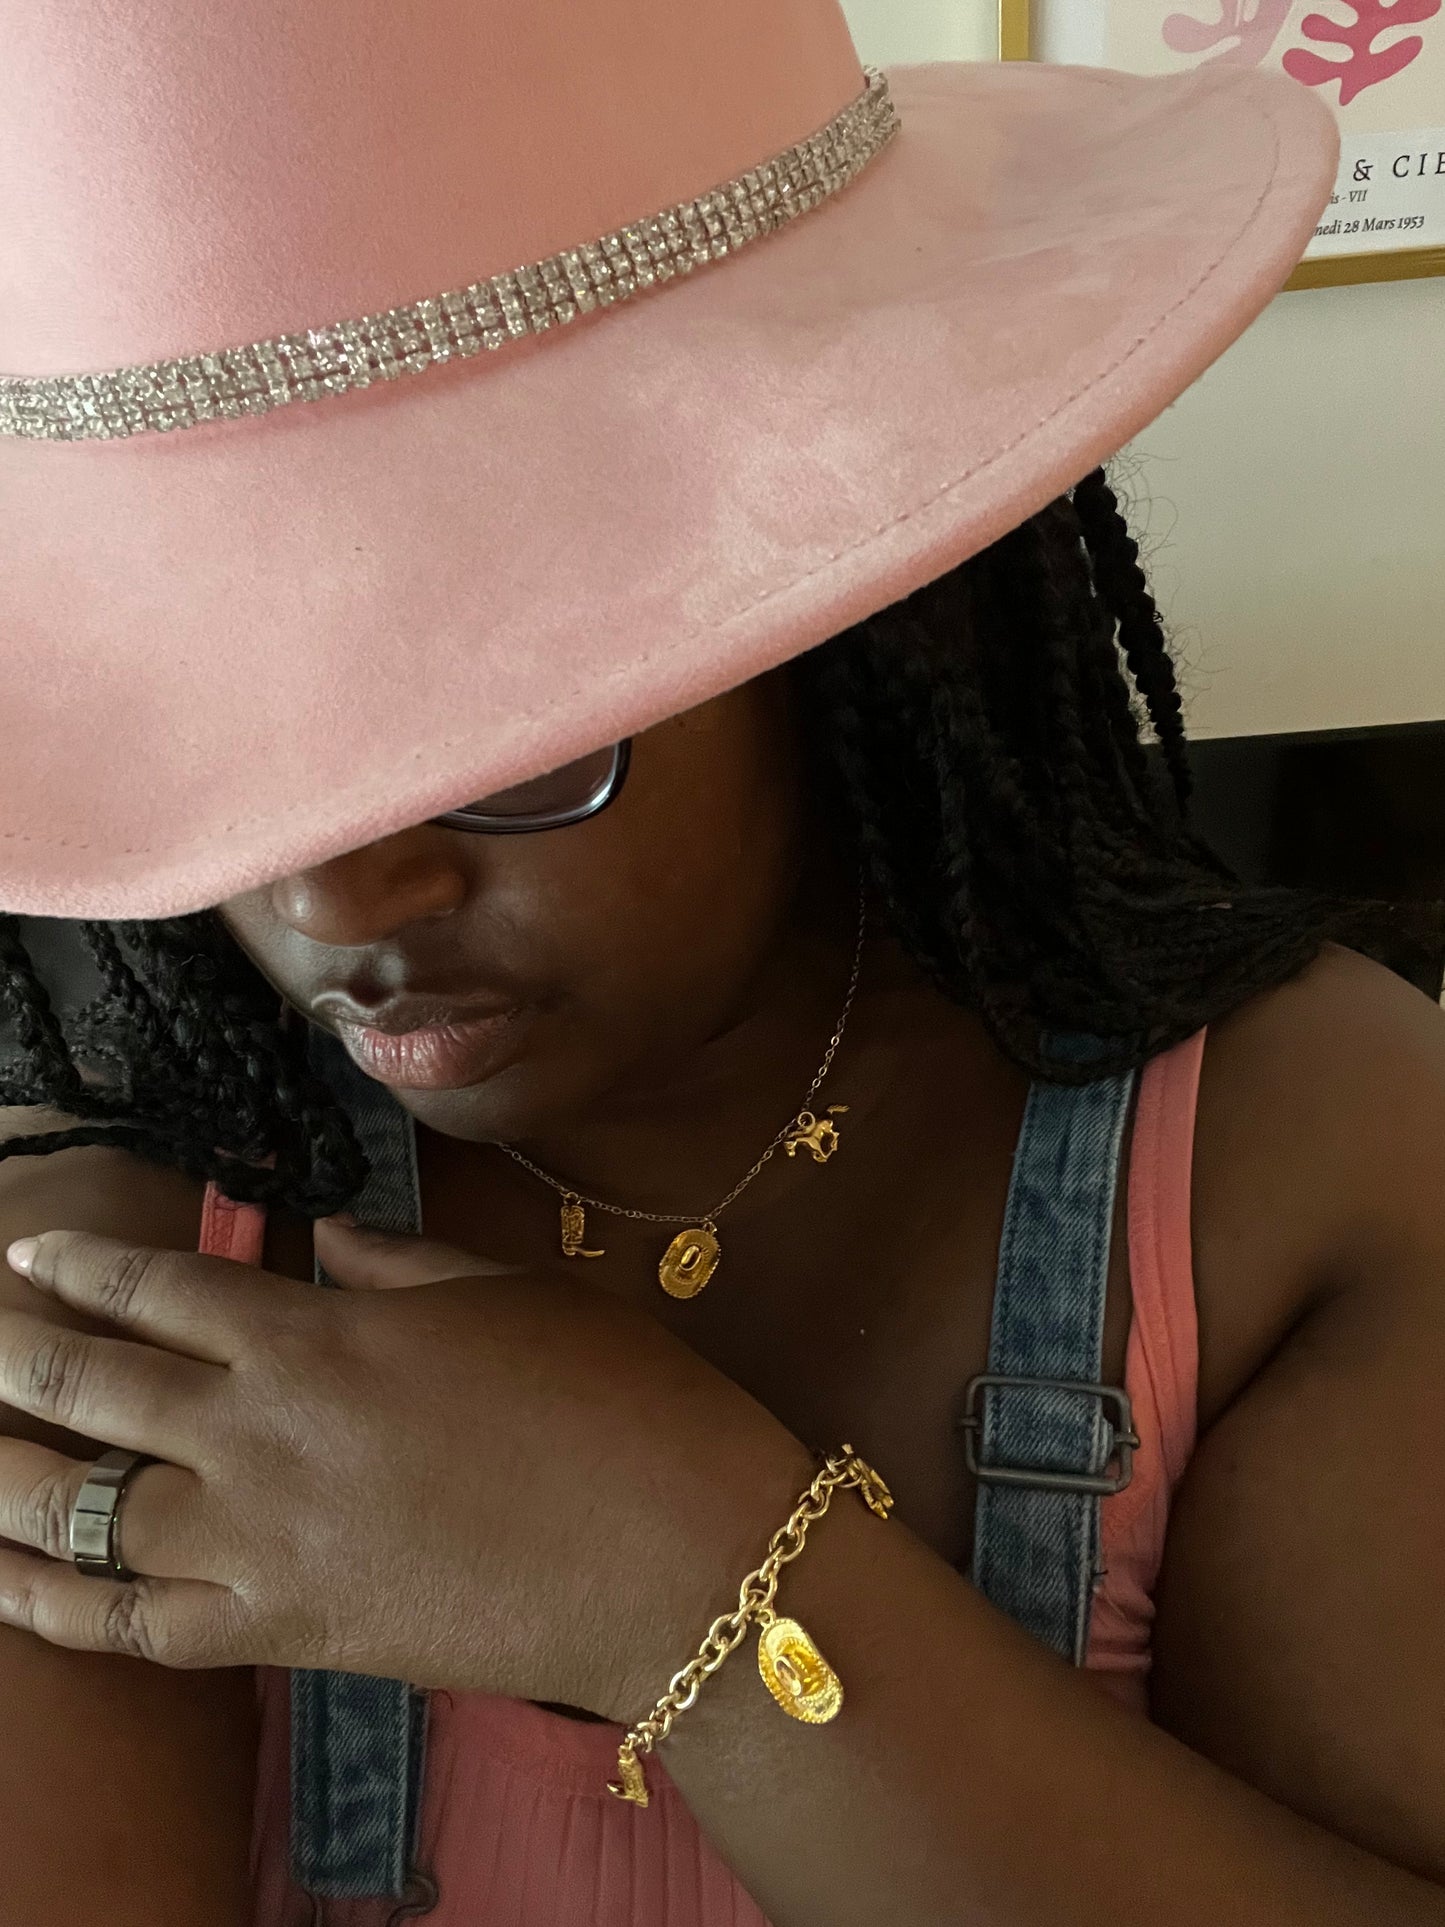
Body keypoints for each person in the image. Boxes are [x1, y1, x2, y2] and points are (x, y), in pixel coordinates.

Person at [5, 2, 1443, 1924]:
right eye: (218, 732)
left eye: (501, 725)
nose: (334, 901)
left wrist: (680, 1573)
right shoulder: (119, 1276)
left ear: (854, 614)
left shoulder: (1298, 1170)